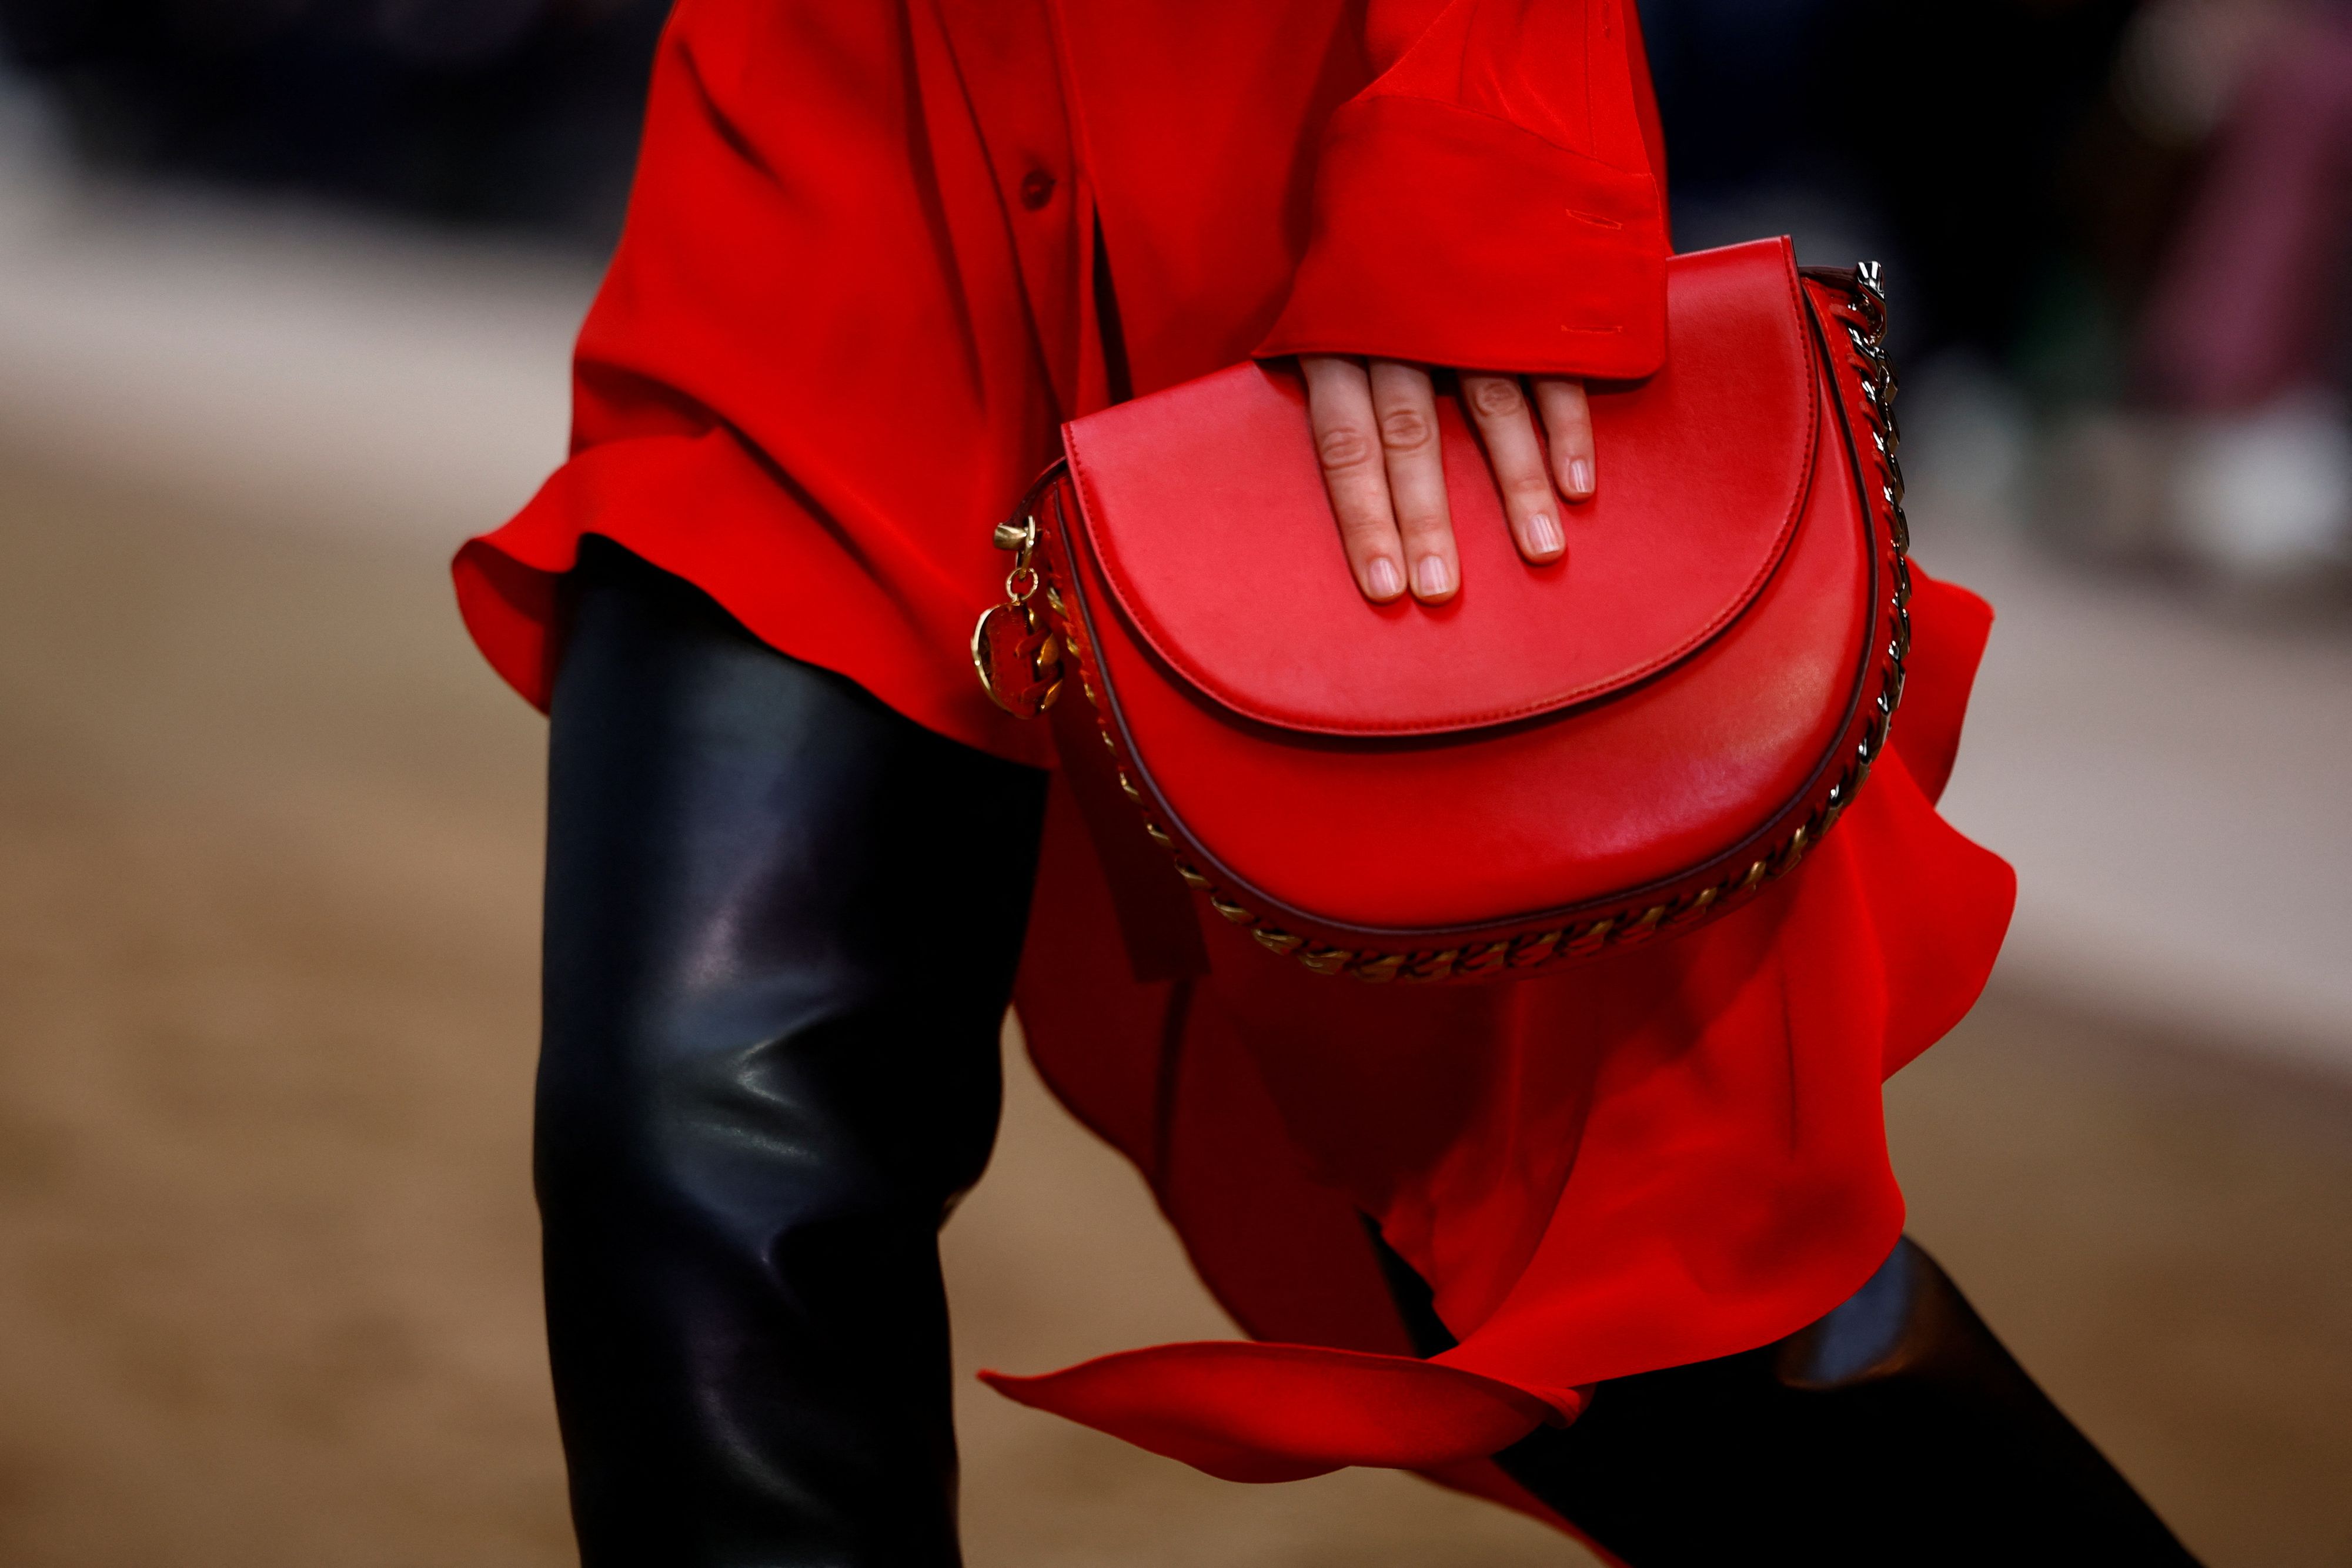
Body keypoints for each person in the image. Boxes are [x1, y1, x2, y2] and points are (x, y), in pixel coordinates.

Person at [452, 1, 2206, 1562]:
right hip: (839, 141)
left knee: (1683, 1309)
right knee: (689, 1158)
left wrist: (1484, 133)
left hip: (1303, 166)